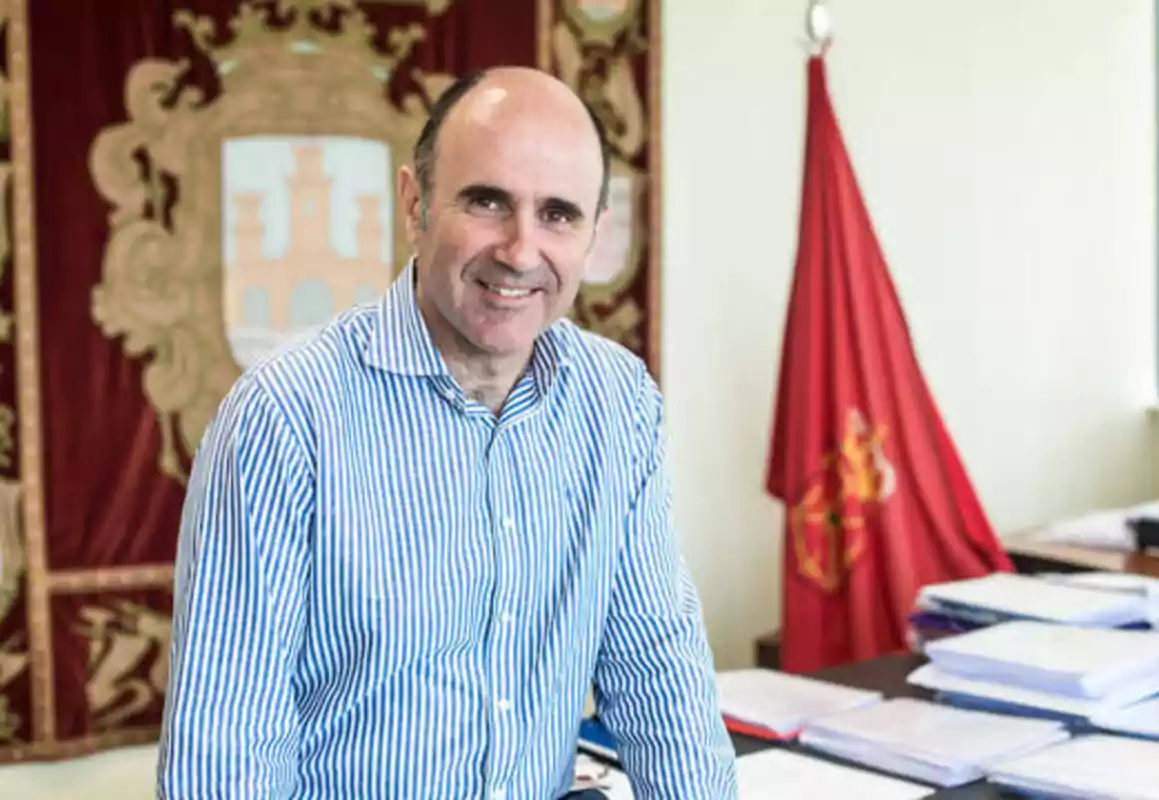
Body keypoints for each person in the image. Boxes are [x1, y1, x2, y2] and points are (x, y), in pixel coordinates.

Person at [156, 66, 737, 799]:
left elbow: (657, 671)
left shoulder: (617, 404)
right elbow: (224, 755)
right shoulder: (283, 418)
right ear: (414, 205)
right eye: (488, 201)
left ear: (593, 235)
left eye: (558, 214)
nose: (522, 251)